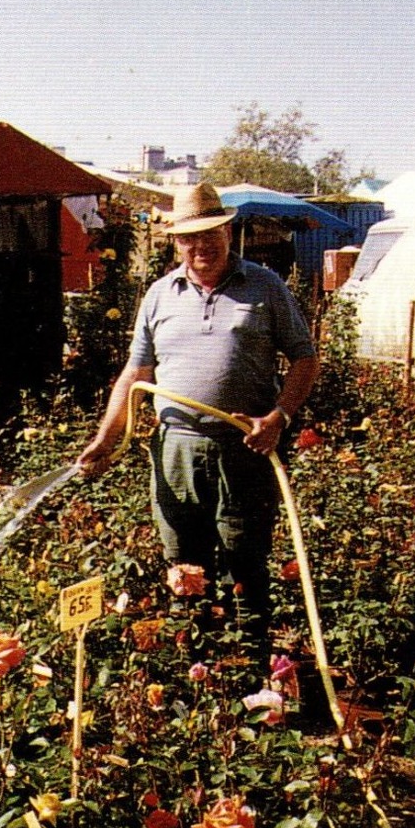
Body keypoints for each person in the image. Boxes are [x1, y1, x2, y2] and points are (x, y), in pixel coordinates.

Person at [77, 183, 319, 666]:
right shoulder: (160, 295)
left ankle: (251, 673)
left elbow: (305, 359)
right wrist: (105, 438)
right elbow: (137, 373)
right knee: (184, 565)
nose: (201, 245)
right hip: (176, 449)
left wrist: (279, 417)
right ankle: (198, 672)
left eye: (211, 233)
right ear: (175, 242)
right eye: (190, 238)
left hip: (245, 449)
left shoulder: (264, 286)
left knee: (244, 563)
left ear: (228, 231)